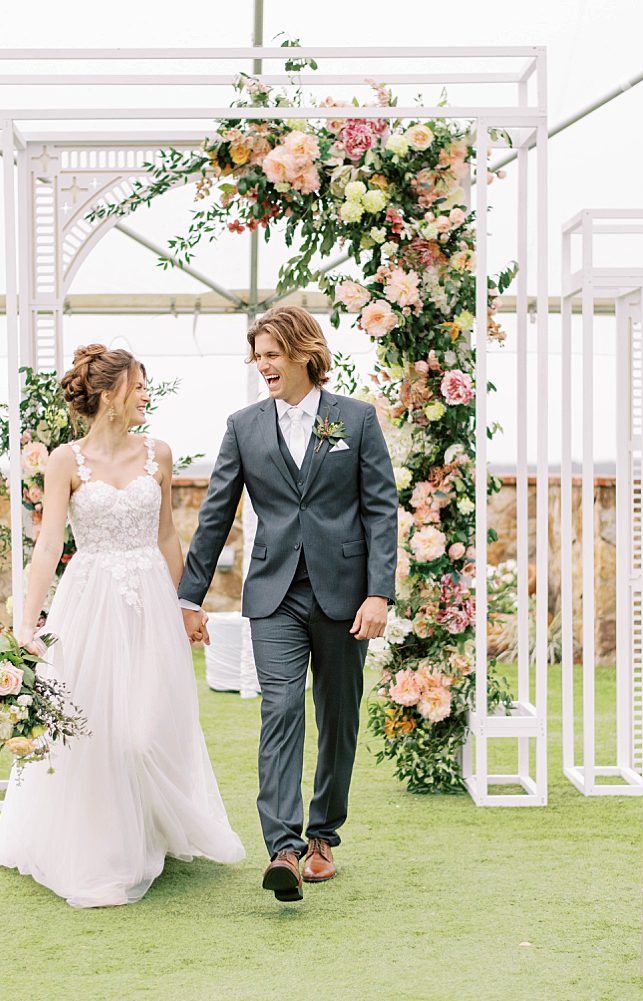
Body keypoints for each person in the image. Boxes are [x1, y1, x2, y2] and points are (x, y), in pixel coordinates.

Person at [0, 344, 244, 908]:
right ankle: (106, 849)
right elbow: (48, 544)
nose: (147, 394)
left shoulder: (158, 455)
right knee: (95, 730)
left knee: (146, 729)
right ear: (111, 394)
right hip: (88, 604)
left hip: (150, 602)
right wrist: (26, 623)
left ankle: (152, 830)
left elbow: (169, 536)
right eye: (139, 385)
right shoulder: (65, 462)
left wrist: (186, 606)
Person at [178, 305, 397, 902]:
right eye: (257, 356)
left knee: (338, 715)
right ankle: (284, 847)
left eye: (271, 354)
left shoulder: (356, 418)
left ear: (303, 352)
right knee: (280, 708)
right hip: (273, 592)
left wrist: (379, 592)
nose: (262, 365)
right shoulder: (243, 425)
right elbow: (216, 514)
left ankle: (324, 833)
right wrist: (189, 598)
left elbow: (380, 509)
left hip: (345, 595)